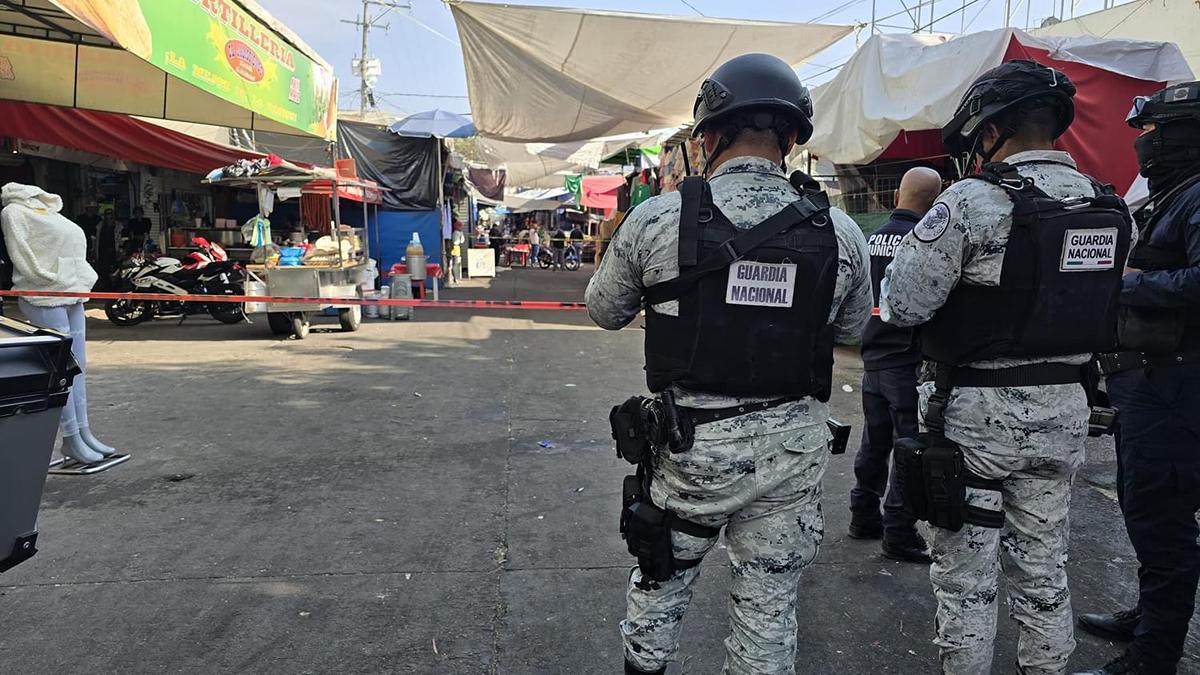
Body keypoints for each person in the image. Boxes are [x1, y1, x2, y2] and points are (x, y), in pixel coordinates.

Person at [586, 52, 871, 675]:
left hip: (693, 451)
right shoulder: (842, 232)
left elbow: (604, 311)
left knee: (660, 585)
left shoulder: (658, 218)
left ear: (709, 135)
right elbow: (853, 330)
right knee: (768, 608)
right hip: (793, 452)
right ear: (793, 138)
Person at [879, 60, 1134, 674]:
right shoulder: (1106, 205)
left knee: (968, 580)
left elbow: (903, 303)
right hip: (1067, 414)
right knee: (1044, 571)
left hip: (976, 421)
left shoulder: (972, 201)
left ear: (989, 132)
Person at [1076, 83, 1200, 675]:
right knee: (1142, 510)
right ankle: (1149, 617)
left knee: (1163, 519)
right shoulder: (1175, 195)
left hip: (1174, 386)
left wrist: (1120, 283)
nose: (1144, 145)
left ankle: (1154, 656)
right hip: (1146, 385)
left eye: (1152, 132)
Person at [848, 166, 943, 563]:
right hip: (907, 362)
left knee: (875, 440)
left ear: (897, 196)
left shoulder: (873, 238)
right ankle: (899, 531)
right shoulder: (924, 242)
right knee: (909, 446)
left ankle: (862, 514)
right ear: (935, 203)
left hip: (873, 359)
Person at [2, 183, 118, 464]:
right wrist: (45, 277)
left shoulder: (51, 210)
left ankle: (84, 432)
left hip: (70, 290)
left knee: (79, 367)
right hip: (43, 293)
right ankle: (70, 437)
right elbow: (22, 253)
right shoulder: (14, 211)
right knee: (62, 370)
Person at [448, 220, 465, 286]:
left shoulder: (457, 232)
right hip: (455, 248)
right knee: (455, 264)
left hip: (456, 249)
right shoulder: (456, 233)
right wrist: (461, 235)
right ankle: (456, 278)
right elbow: (458, 241)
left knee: (456, 263)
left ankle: (456, 278)